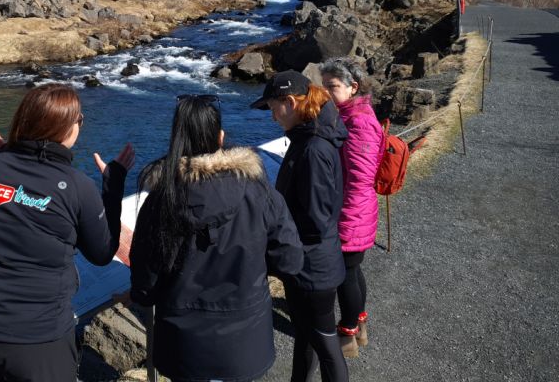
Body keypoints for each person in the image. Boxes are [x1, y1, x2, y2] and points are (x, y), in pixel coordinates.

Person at [0, 83, 135, 382]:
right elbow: (102, 253)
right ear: (66, 127)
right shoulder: (76, 186)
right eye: (80, 119)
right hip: (36, 340)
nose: (81, 124)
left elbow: (10, 201)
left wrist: (10, 156)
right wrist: (113, 187)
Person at [129, 94, 303, 382]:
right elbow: (290, 259)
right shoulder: (257, 191)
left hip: (183, 344)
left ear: (176, 140)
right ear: (220, 137)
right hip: (245, 337)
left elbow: (145, 279)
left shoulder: (162, 199)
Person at [251, 70, 350, 382]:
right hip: (312, 262)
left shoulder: (314, 148)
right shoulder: (309, 136)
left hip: (312, 265)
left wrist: (276, 230)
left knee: (325, 343)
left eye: (272, 108)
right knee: (307, 335)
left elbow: (317, 220)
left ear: (290, 102)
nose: (272, 117)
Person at [320, 58, 383, 357]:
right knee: (352, 270)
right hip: (353, 209)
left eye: (332, 86)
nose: (326, 93)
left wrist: (339, 214)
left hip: (351, 210)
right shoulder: (348, 114)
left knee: (345, 273)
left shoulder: (358, 121)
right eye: (324, 87)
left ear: (352, 87)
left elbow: (359, 177)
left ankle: (346, 335)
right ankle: (359, 323)